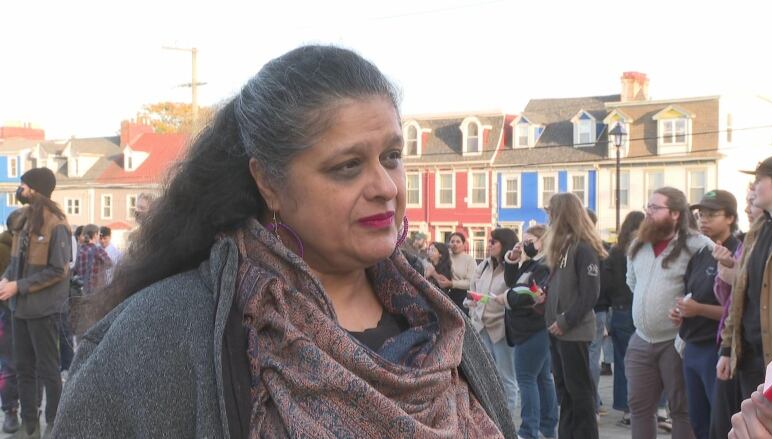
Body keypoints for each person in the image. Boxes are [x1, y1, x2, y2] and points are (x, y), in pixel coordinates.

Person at [53, 45, 515, 438]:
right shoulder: (161, 333)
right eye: (348, 166)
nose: (386, 187)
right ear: (268, 183)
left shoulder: (440, 323)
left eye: (391, 157)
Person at [627, 186, 711, 439]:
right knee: (639, 408)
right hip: (641, 339)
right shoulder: (638, 245)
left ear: (675, 213)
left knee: (682, 410)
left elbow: (708, 286)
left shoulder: (697, 245)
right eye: (647, 207)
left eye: (655, 208)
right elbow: (632, 282)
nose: (648, 212)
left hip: (676, 341)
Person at [0, 167, 72, 438]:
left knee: (48, 370)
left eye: (24, 185)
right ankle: (30, 424)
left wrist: (19, 286)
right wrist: (6, 280)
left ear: (37, 189)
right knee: (23, 368)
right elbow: (15, 265)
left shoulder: (57, 224)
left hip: (44, 311)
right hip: (19, 310)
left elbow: (58, 270)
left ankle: (55, 421)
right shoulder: (22, 221)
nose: (21, 190)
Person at [673, 190, 740, 439]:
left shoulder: (737, 252)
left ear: (730, 218)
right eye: (701, 215)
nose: (704, 220)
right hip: (692, 345)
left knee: (721, 423)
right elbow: (692, 294)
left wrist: (698, 310)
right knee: (698, 421)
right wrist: (681, 312)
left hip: (717, 347)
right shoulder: (701, 253)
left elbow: (737, 310)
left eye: (712, 214)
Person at [543, 192, 606, 439]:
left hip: (573, 332)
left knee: (580, 394)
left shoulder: (583, 248)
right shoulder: (563, 248)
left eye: (551, 213)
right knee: (565, 393)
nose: (548, 218)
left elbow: (590, 294)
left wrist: (566, 320)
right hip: (558, 332)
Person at [718, 155, 772, 404]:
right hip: (750, 358)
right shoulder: (756, 230)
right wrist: (726, 349)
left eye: (759, 180)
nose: (753, 188)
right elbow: (740, 296)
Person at [710, 184, 761, 439]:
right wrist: (728, 269)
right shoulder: (747, 242)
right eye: (747, 201)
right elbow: (730, 302)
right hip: (733, 345)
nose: (749, 208)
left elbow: (752, 296)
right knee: (725, 423)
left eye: (753, 201)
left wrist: (735, 273)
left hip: (754, 352)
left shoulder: (759, 241)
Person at [503, 224, 558, 439]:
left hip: (532, 329)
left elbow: (525, 294)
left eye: (529, 241)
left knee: (526, 379)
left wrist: (507, 299)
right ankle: (546, 427)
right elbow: (512, 283)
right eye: (523, 241)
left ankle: (529, 430)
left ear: (543, 241)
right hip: (527, 330)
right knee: (543, 378)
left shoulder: (544, 266)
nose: (525, 245)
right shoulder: (531, 264)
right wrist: (513, 258)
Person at [466, 228, 520, 420]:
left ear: (504, 244)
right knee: (486, 377)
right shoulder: (484, 266)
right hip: (481, 327)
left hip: (502, 329)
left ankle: (508, 422)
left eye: (493, 242)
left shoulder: (513, 268)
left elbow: (514, 296)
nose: (488, 245)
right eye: (489, 241)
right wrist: (472, 304)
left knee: (507, 378)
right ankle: (492, 419)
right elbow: (473, 290)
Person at [602, 210, 645, 428]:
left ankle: (627, 409)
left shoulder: (616, 252)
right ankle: (658, 407)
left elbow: (606, 283)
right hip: (643, 309)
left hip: (620, 310)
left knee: (623, 362)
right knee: (650, 362)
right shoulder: (646, 249)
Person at [586, 208, 611, 416]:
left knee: (590, 358)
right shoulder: (600, 247)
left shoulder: (587, 247)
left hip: (591, 309)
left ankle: (592, 403)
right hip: (599, 307)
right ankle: (595, 401)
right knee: (591, 357)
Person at [0, 210, 21, 434]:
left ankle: (19, 411)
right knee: (8, 366)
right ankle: (9, 411)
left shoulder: (23, 248)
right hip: (7, 313)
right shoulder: (5, 248)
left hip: (24, 313)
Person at [436, 232, 477, 314]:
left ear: (464, 244)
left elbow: (471, 283)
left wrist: (451, 283)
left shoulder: (469, 260)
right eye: (452, 241)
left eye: (458, 242)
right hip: (444, 294)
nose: (455, 244)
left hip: (463, 297)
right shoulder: (444, 257)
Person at [74, 225, 113, 297]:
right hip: (96, 291)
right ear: (95, 235)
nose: (99, 236)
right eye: (98, 234)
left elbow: (76, 269)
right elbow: (109, 264)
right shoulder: (98, 250)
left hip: (82, 290)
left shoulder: (80, 250)